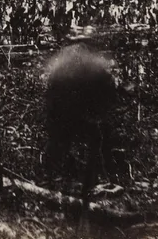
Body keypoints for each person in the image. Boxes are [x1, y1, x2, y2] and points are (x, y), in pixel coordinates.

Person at [42, 31, 118, 199]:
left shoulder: (63, 57)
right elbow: (106, 85)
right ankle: (97, 179)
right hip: (75, 111)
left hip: (61, 112)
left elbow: (50, 88)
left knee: (58, 145)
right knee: (96, 140)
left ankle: (50, 180)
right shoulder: (88, 58)